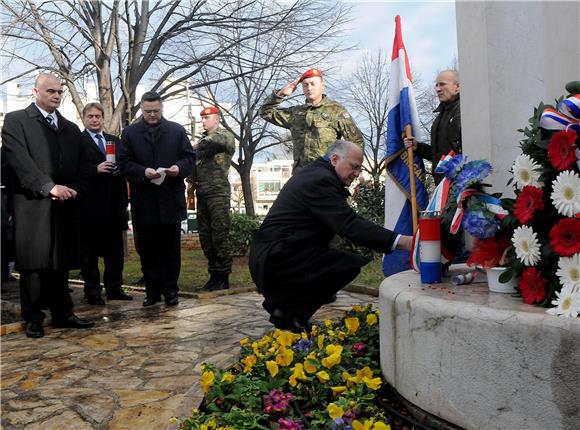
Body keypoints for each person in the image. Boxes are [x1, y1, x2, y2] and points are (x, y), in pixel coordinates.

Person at [249, 140, 412, 332]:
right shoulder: (320, 180)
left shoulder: (318, 174)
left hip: (280, 252)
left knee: (333, 263)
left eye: (359, 168)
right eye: (354, 166)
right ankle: (289, 314)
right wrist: (402, 242)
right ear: (335, 159)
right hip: (275, 258)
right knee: (346, 266)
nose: (357, 173)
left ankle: (284, 308)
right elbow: (348, 224)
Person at [1, 73, 95, 338]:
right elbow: (20, 161)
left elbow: (82, 165)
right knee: (33, 264)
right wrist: (47, 186)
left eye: (59, 91)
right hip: (32, 204)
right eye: (50, 91)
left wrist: (76, 187)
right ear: (35, 91)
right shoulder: (17, 120)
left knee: (60, 262)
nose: (56, 95)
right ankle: (33, 318)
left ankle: (63, 313)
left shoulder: (69, 127)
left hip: (64, 204)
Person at [118, 91, 195, 307]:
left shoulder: (176, 131)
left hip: (170, 198)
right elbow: (124, 163)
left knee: (171, 250)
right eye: (147, 111)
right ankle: (152, 292)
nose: (152, 115)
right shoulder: (131, 133)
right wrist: (143, 172)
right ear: (141, 110)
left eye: (156, 111)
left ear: (162, 109)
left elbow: (189, 157)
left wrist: (178, 168)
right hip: (145, 201)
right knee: (148, 250)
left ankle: (171, 290)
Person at [259, 68, 364, 170]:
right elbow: (265, 112)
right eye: (305, 85)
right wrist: (281, 94)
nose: (309, 88)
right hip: (301, 176)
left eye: (313, 84)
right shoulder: (295, 113)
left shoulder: (336, 111)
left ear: (322, 86)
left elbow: (356, 142)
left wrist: (347, 171)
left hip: (326, 175)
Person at [80, 102, 132, 305]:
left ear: (103, 118)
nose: (94, 120)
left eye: (98, 116)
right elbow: (73, 170)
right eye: (90, 116)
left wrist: (121, 170)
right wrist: (95, 169)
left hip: (114, 205)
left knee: (114, 252)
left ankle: (114, 288)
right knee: (89, 254)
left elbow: (126, 163)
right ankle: (92, 291)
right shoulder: (78, 141)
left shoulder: (114, 141)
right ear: (84, 118)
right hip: (89, 207)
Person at [194, 106, 236, 291]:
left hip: (218, 193)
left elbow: (218, 141)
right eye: (202, 118)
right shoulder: (202, 141)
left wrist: (196, 145)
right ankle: (213, 275)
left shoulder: (224, 136)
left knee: (220, 235)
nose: (203, 121)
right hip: (202, 193)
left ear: (217, 119)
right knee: (206, 237)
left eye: (207, 118)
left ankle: (223, 276)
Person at [404, 69, 461, 184]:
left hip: (459, 184)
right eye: (436, 85)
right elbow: (438, 155)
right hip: (442, 184)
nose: (438, 89)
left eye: (442, 84)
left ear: (458, 87)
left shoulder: (463, 112)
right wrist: (418, 147)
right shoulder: (439, 118)